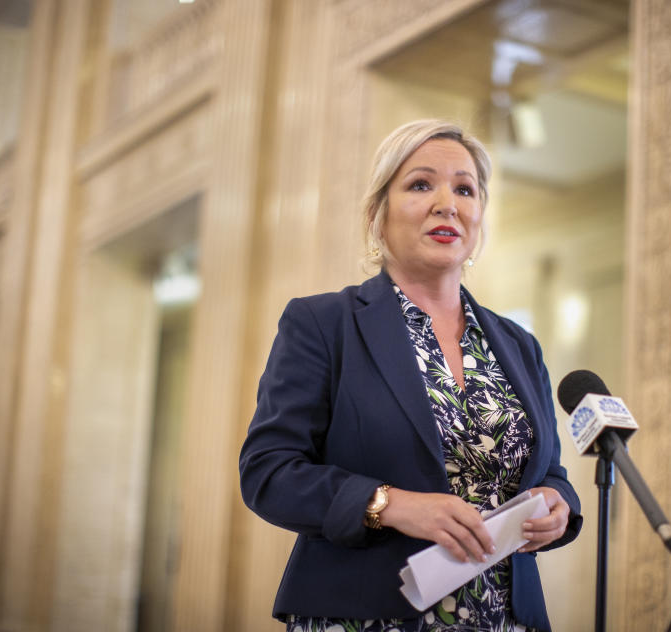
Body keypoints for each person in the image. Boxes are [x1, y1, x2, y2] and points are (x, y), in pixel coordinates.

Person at [239, 119, 582, 632]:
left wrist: (560, 506)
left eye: (464, 189)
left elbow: (549, 472)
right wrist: (388, 504)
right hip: (366, 617)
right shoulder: (324, 323)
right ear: (378, 215)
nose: (448, 203)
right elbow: (268, 472)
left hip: (505, 619)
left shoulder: (517, 344)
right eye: (422, 184)